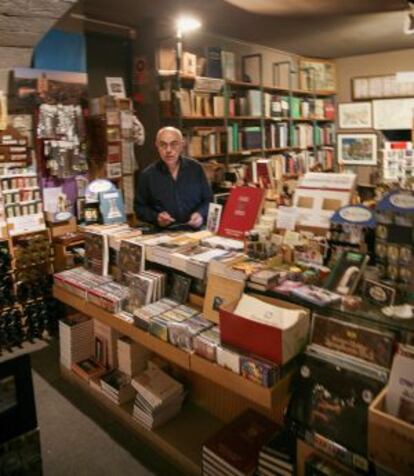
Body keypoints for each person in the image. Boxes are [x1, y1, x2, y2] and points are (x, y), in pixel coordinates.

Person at [134, 127, 212, 229]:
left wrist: (200, 214)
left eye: (174, 144)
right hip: (164, 233)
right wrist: (156, 217)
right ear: (157, 146)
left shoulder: (196, 169)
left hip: (195, 231)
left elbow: (208, 200)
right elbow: (139, 208)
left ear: (182, 145)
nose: (168, 150)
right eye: (163, 145)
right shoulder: (147, 175)